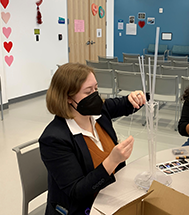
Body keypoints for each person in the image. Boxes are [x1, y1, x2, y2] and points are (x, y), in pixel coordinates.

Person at [39, 63, 146, 215]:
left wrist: (136, 97)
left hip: (112, 195)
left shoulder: (99, 112)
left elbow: (125, 104)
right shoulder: (54, 139)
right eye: (88, 92)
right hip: (82, 208)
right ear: (68, 97)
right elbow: (77, 191)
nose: (95, 96)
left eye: (96, 88)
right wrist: (112, 161)